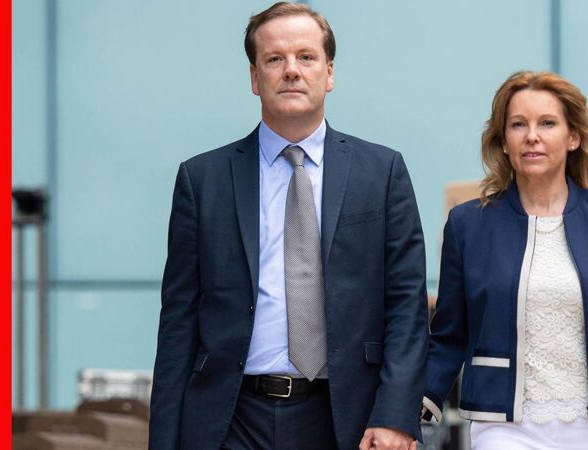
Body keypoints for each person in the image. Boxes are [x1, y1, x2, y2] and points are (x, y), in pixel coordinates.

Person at [149, 3, 427, 449]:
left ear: (329, 73)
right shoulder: (202, 180)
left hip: (345, 418)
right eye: (275, 58)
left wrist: (396, 414)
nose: (291, 70)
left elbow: (406, 306)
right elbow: (177, 323)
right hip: (230, 420)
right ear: (255, 78)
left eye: (306, 57)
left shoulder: (382, 172)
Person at [422, 71, 588, 449]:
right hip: (505, 427)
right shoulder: (468, 226)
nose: (532, 135)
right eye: (518, 124)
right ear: (504, 141)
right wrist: (407, 415)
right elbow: (449, 335)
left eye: (547, 123)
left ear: (573, 137)